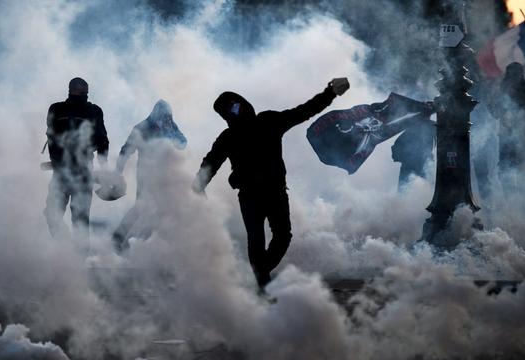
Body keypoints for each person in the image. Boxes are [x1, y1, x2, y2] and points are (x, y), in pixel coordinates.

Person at [193, 78, 350, 291]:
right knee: (260, 239)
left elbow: (304, 111)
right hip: (253, 194)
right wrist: (198, 185)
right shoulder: (232, 135)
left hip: (272, 191)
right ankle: (262, 283)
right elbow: (210, 163)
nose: (233, 112)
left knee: (281, 236)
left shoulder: (267, 121)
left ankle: (260, 277)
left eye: (233, 107)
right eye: (228, 111)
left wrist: (330, 93)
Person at [112, 99, 187, 251]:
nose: (165, 117)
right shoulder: (142, 127)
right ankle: (118, 238)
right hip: (146, 172)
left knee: (163, 208)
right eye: (163, 114)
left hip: (165, 174)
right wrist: (118, 171)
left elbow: (183, 143)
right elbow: (126, 150)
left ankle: (149, 242)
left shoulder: (170, 125)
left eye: (167, 115)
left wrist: (171, 132)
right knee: (142, 207)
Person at [44, 77, 109, 241]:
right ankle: (65, 249)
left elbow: (102, 140)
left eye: (86, 93)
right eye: (81, 92)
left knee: (80, 219)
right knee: (52, 213)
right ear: (71, 90)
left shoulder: (94, 111)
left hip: (83, 172)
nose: (84, 96)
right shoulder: (56, 109)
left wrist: (104, 167)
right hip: (61, 172)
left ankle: (79, 259)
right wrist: (57, 160)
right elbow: (51, 136)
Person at [491, 62, 525, 195]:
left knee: (518, 176)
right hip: (511, 140)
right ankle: (517, 205)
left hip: (524, 140)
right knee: (512, 175)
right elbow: (495, 112)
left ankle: (519, 205)